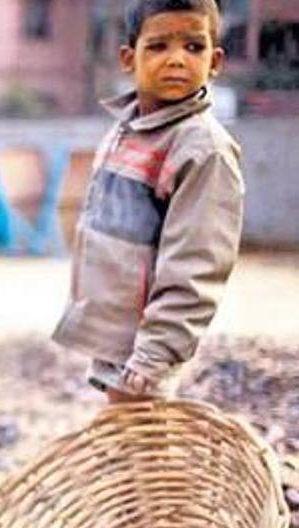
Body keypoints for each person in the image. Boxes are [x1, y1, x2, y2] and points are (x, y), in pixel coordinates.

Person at [52, 0, 244, 403]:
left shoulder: (202, 150)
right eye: (158, 46)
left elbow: (196, 263)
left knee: (142, 434)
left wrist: (156, 352)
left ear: (215, 61)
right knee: (125, 433)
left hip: (146, 343)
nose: (176, 60)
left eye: (193, 47)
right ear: (128, 58)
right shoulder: (130, 129)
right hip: (117, 335)